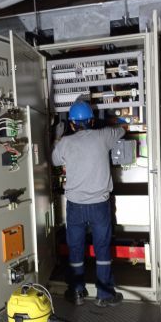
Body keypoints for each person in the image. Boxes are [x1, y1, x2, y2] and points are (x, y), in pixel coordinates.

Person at [52, 100, 125, 307]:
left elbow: (54, 160)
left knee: (75, 249)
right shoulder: (103, 136)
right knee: (102, 248)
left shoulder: (65, 142)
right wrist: (113, 122)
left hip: (75, 206)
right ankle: (104, 295)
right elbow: (122, 130)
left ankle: (77, 292)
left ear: (71, 123)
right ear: (92, 121)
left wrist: (57, 137)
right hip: (99, 206)